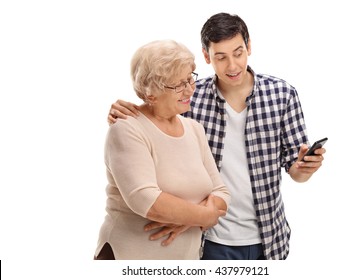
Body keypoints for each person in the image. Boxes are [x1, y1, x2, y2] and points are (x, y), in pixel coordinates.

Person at [107, 13, 326, 260]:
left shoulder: (282, 94)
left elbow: (295, 172)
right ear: (206, 56)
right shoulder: (191, 96)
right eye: (220, 57)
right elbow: (156, 115)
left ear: (249, 46)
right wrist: (124, 113)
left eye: (238, 52)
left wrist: (304, 168)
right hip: (209, 239)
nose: (232, 66)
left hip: (269, 236)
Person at [94, 39, 230, 260]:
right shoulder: (127, 128)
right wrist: (204, 216)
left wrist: (190, 218)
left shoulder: (194, 129)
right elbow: (145, 199)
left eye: (190, 79)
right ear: (150, 93)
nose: (189, 90)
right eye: (178, 84)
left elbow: (222, 192)